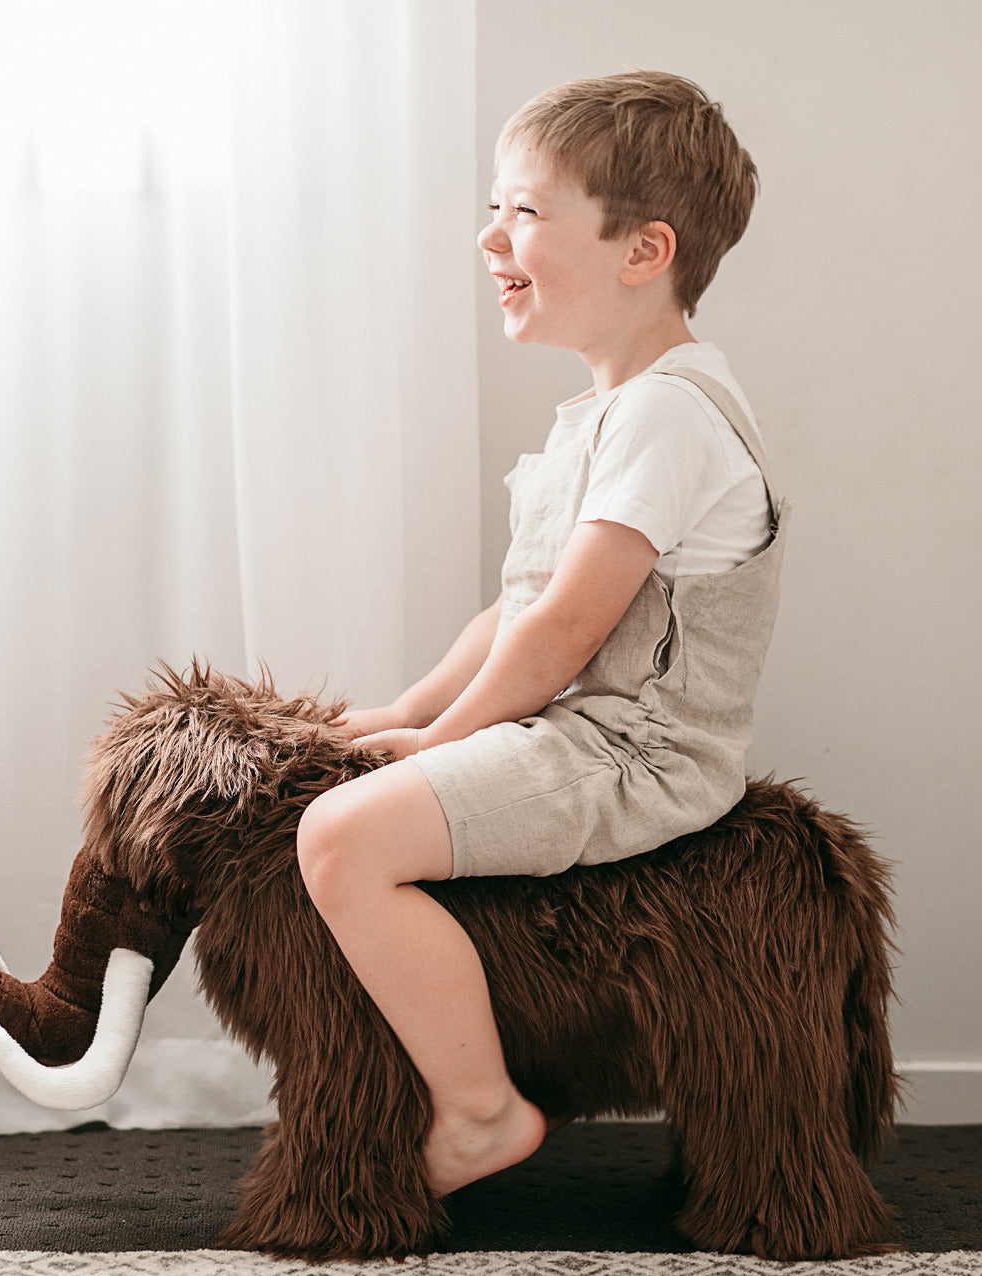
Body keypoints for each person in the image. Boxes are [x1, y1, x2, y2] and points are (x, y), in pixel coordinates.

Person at [295, 70, 787, 1198]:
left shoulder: (669, 412)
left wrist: (446, 744)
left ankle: (479, 1110)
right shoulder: (613, 408)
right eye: (492, 205)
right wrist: (407, 709)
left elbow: (568, 625)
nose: (487, 237)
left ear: (640, 251)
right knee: (349, 795)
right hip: (584, 730)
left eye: (522, 211)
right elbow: (517, 608)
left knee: (342, 840)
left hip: (637, 755)